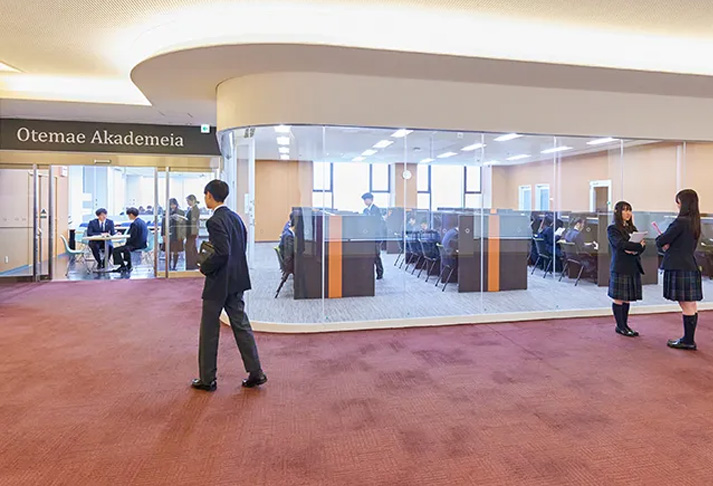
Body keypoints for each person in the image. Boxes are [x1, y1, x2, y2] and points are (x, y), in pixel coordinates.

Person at [192, 180, 266, 392]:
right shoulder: (236, 218)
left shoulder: (214, 221)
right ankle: (256, 372)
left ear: (209, 195)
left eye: (205, 195)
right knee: (241, 326)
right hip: (237, 280)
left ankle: (207, 379)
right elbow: (238, 249)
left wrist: (205, 267)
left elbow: (222, 252)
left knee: (209, 330)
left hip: (218, 282)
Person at [656, 189, 703, 350]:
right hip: (690, 264)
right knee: (691, 304)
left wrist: (664, 242)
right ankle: (688, 338)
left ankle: (688, 341)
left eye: (678, 202)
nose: (677, 205)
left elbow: (661, 240)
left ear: (683, 203)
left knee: (686, 304)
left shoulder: (680, 222)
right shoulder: (695, 222)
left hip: (678, 266)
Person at [607, 201, 646, 337]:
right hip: (620, 265)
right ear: (618, 212)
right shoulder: (613, 228)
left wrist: (635, 249)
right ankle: (620, 326)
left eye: (629, 210)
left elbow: (642, 245)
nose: (628, 213)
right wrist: (635, 247)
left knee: (627, 297)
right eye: (624, 210)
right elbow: (620, 244)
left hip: (632, 265)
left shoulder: (632, 228)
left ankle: (625, 325)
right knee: (619, 297)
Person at [112, 207, 148, 272]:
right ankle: (128, 265)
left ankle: (123, 266)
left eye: (128, 215)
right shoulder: (142, 222)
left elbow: (132, 236)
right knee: (125, 248)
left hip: (135, 245)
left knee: (115, 250)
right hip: (143, 244)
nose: (128, 217)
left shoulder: (134, 224)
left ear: (131, 214)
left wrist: (126, 243)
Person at [362, 192, 385, 280]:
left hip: (376, 236)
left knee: (376, 255)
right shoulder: (365, 210)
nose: (365, 201)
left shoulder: (377, 210)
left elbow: (377, 223)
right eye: (364, 200)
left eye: (366, 199)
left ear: (371, 200)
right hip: (368, 236)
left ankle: (380, 272)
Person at [163, 198, 185, 271]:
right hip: (168, 233)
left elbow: (184, 224)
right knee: (168, 250)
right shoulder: (166, 212)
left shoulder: (181, 212)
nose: (172, 206)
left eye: (174, 204)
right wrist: (163, 234)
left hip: (177, 234)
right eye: (171, 204)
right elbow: (163, 224)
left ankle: (174, 266)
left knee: (176, 250)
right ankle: (168, 265)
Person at [184, 195, 201, 270]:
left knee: (189, 247)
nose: (188, 203)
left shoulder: (195, 209)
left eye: (188, 201)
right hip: (190, 231)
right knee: (193, 248)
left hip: (192, 231)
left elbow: (193, 221)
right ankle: (195, 263)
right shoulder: (191, 209)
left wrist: (185, 220)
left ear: (193, 200)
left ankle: (190, 265)